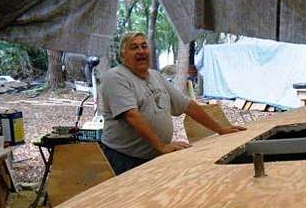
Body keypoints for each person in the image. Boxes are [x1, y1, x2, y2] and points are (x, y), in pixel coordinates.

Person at [99, 32, 245, 175]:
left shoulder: (155, 76)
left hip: (153, 156)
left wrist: (220, 129)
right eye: (134, 47)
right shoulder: (115, 77)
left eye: (144, 46)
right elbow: (131, 116)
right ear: (123, 54)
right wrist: (161, 146)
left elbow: (187, 105)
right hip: (124, 158)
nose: (141, 51)